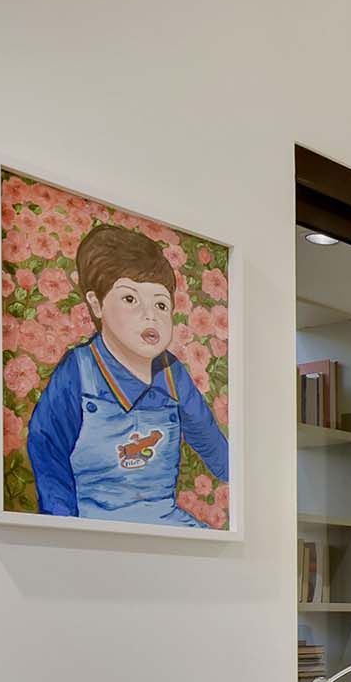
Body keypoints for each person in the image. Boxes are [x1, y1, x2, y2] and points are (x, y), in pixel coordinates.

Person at [26, 224, 229, 526]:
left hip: (166, 522)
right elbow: (47, 450)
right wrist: (64, 526)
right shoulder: (79, 371)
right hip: (93, 525)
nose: (150, 315)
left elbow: (215, 448)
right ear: (96, 303)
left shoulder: (171, 374)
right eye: (130, 299)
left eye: (161, 304)